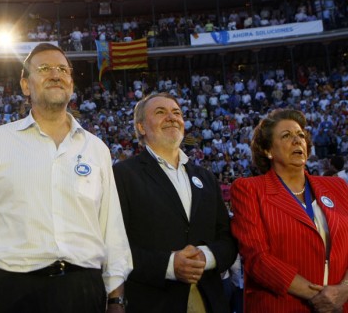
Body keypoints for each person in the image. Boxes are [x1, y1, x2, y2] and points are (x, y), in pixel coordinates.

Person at [0, 43, 132, 313]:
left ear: (71, 84)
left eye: (63, 69)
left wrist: (116, 300)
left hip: (84, 290)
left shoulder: (96, 148)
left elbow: (112, 232)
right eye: (44, 69)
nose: (55, 74)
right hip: (15, 290)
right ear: (25, 85)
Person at [113, 92, 237, 312]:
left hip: (210, 300)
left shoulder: (205, 177)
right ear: (141, 127)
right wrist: (169, 265)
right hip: (152, 302)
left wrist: (205, 258)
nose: (171, 117)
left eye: (177, 112)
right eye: (160, 112)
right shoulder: (122, 175)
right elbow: (115, 245)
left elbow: (227, 240)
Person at [230, 109, 348, 312]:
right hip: (282, 305)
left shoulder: (337, 186)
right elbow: (257, 259)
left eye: (300, 135)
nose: (297, 140)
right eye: (286, 136)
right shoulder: (250, 189)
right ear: (268, 151)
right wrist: (320, 296)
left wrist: (343, 291)